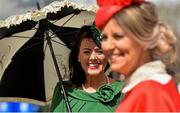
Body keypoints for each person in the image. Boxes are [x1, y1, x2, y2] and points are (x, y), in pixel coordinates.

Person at [95, 0, 180, 112]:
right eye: (104, 38)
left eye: (118, 36)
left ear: (143, 38)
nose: (107, 46)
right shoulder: (145, 88)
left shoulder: (151, 93)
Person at [50, 24, 124, 112]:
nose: (93, 57)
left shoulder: (123, 92)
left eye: (99, 51)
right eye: (86, 52)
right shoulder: (63, 91)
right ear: (78, 56)